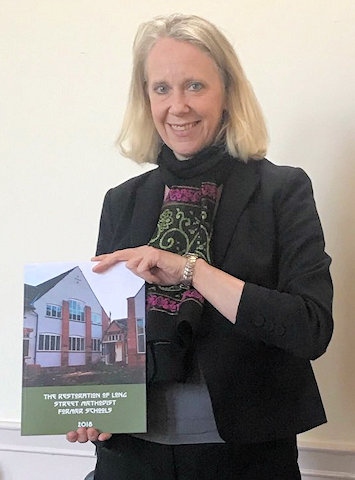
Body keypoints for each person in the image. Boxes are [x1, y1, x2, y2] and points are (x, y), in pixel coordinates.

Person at [66, 13, 333, 480]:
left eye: (195, 86)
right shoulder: (123, 201)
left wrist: (192, 270)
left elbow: (310, 329)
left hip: (245, 458)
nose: (178, 107)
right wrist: (92, 404)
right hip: (131, 458)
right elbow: (106, 328)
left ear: (227, 92)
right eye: (161, 89)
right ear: (145, 97)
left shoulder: (282, 191)